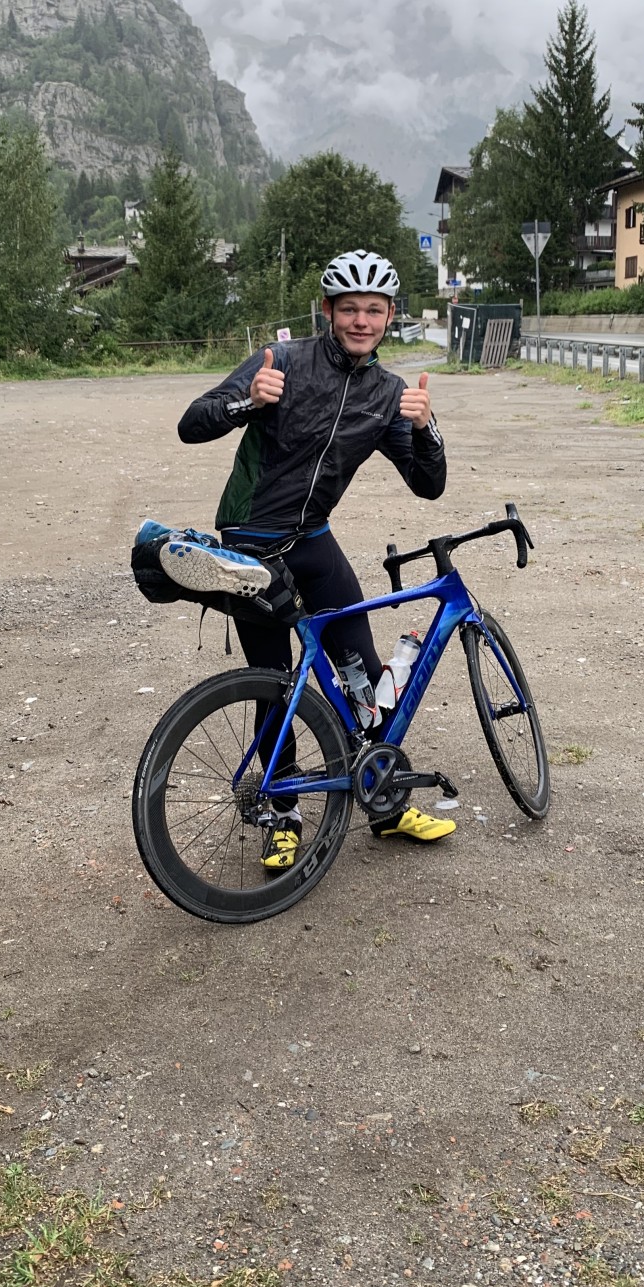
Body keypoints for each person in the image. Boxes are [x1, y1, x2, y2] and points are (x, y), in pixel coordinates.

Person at [172, 248, 455, 868]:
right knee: (275, 688)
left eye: (373, 310)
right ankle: (282, 812)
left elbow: (427, 487)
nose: (361, 320)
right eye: (349, 308)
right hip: (249, 542)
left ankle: (381, 799)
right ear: (328, 311)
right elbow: (191, 425)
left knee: (365, 677)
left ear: (389, 317)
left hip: (314, 542)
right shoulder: (285, 362)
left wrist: (427, 429)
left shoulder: (387, 394)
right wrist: (247, 401)